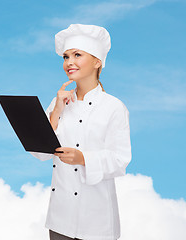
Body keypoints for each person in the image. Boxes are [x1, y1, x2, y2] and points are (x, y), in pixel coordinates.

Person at [29, 24, 132, 240]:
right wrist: (56, 112)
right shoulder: (57, 102)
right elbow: (39, 153)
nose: (69, 62)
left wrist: (83, 158)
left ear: (97, 62)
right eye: (65, 57)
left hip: (96, 220)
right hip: (60, 218)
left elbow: (120, 159)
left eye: (77, 55)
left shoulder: (113, 107)